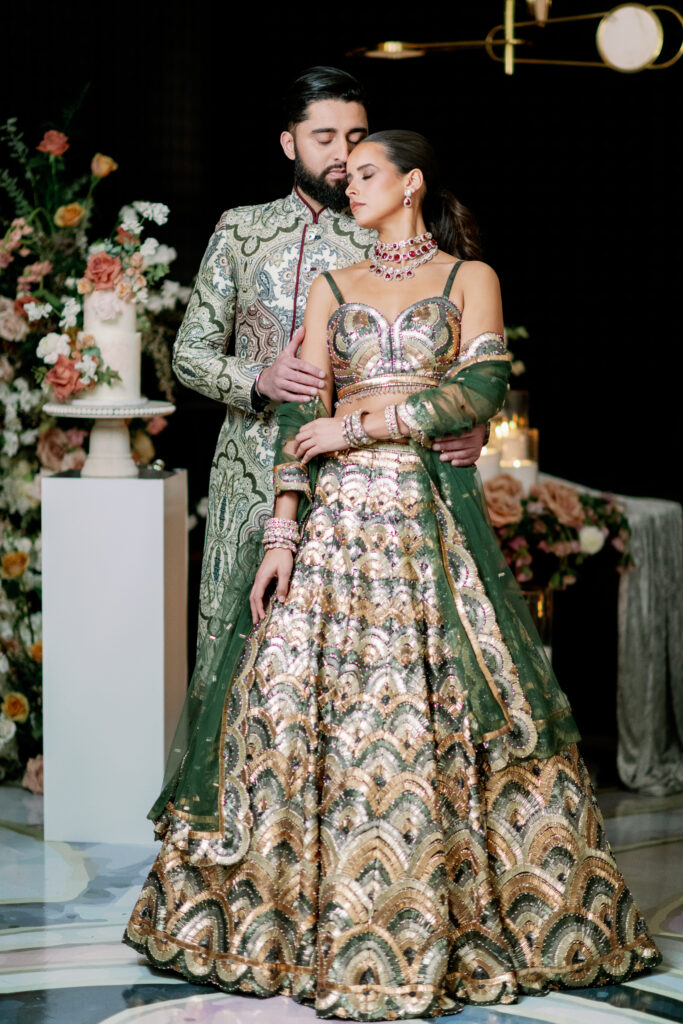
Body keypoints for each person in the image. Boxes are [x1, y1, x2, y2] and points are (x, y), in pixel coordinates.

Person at [125, 131, 660, 1019]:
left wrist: (362, 427)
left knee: (447, 695)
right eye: (344, 171)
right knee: (289, 697)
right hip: (332, 526)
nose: (349, 180)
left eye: (365, 170)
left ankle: (472, 917)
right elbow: (305, 413)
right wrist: (281, 534)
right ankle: (279, 925)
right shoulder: (331, 287)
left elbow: (478, 391)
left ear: (410, 183)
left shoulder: (465, 279)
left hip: (426, 518)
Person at [172, 67, 486, 646]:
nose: (344, 155)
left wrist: (475, 426)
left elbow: (446, 352)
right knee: (230, 640)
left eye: (355, 137)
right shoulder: (241, 231)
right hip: (246, 473)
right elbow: (188, 354)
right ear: (290, 143)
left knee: (342, 660)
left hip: (358, 480)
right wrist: (258, 378)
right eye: (325, 138)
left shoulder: (388, 232)